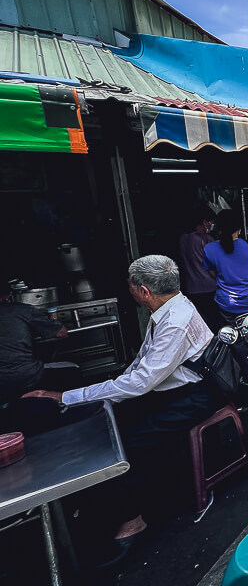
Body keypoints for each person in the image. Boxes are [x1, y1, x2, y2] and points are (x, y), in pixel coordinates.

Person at [23, 255, 223, 562]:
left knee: (123, 442)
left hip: (194, 396)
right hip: (173, 390)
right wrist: (103, 393)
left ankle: (133, 519)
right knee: (114, 420)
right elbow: (140, 368)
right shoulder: (168, 309)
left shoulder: (175, 321)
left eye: (130, 285)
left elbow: (140, 382)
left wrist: (67, 396)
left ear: (143, 291)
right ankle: (132, 495)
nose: (127, 289)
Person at [0, 277, 68, 407]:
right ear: (8, 296)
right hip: (26, 376)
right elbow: (61, 332)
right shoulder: (22, 310)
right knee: (73, 369)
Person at [202, 209, 248, 325]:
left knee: (233, 335)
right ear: (239, 228)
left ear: (218, 228)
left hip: (227, 304)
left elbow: (213, 275)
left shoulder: (209, 249)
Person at [178, 205, 217, 325]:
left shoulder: (183, 239)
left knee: (203, 321)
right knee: (215, 321)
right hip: (210, 286)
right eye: (211, 222)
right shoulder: (206, 239)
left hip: (193, 288)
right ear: (204, 222)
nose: (211, 225)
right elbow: (214, 265)